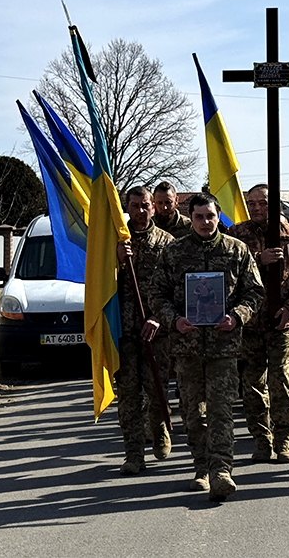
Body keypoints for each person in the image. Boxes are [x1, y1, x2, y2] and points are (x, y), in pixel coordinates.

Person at [152, 193, 264, 501]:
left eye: (210, 216)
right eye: (199, 217)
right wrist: (174, 320)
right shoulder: (174, 252)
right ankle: (200, 465)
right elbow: (156, 294)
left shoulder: (236, 250)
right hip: (186, 348)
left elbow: (254, 293)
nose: (205, 222)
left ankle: (221, 471)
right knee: (193, 414)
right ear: (191, 217)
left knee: (221, 412)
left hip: (224, 348)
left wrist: (237, 316)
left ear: (219, 216)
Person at [228, 184, 289, 463]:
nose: (256, 208)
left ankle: (284, 439)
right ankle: (261, 439)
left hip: (281, 322)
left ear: (274, 203)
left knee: (282, 380)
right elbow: (226, 272)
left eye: (262, 203)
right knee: (252, 384)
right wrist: (258, 259)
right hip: (250, 324)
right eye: (252, 203)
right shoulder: (237, 235)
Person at [114, 186, 175, 475]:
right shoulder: (116, 239)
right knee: (128, 395)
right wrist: (114, 258)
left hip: (156, 332)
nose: (140, 211)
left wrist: (158, 318)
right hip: (123, 331)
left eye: (145, 205)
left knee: (155, 388)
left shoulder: (167, 243)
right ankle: (133, 453)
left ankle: (160, 427)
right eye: (135, 205)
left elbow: (177, 290)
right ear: (127, 207)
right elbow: (98, 282)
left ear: (153, 207)